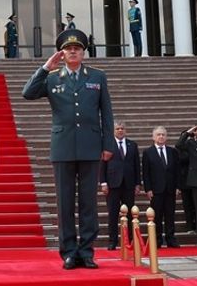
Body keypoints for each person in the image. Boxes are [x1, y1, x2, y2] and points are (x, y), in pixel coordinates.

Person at [22, 30, 114, 269]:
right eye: (68, 49)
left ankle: (87, 251)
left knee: (88, 204)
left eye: (77, 49)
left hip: (90, 145)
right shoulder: (52, 78)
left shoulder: (97, 77)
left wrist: (108, 144)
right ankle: (69, 252)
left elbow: (107, 113)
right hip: (62, 147)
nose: (73, 52)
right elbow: (27, 93)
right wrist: (44, 68)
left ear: (83, 52)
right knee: (64, 203)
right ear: (62, 53)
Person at [101, 121, 139, 250]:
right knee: (113, 213)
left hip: (129, 184)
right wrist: (103, 182)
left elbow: (136, 165)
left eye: (122, 128)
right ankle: (112, 241)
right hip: (112, 184)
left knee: (129, 213)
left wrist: (137, 183)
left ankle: (130, 240)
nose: (120, 130)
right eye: (118, 128)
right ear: (114, 131)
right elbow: (102, 165)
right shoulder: (107, 145)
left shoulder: (132, 145)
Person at [140, 127, 179, 248]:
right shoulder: (148, 152)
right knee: (156, 216)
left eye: (163, 135)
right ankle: (157, 239)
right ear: (153, 137)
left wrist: (177, 186)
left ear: (166, 137)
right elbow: (145, 172)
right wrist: (148, 189)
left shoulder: (172, 152)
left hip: (170, 188)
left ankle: (170, 238)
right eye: (158, 135)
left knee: (170, 215)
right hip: (156, 190)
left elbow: (177, 171)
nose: (161, 137)